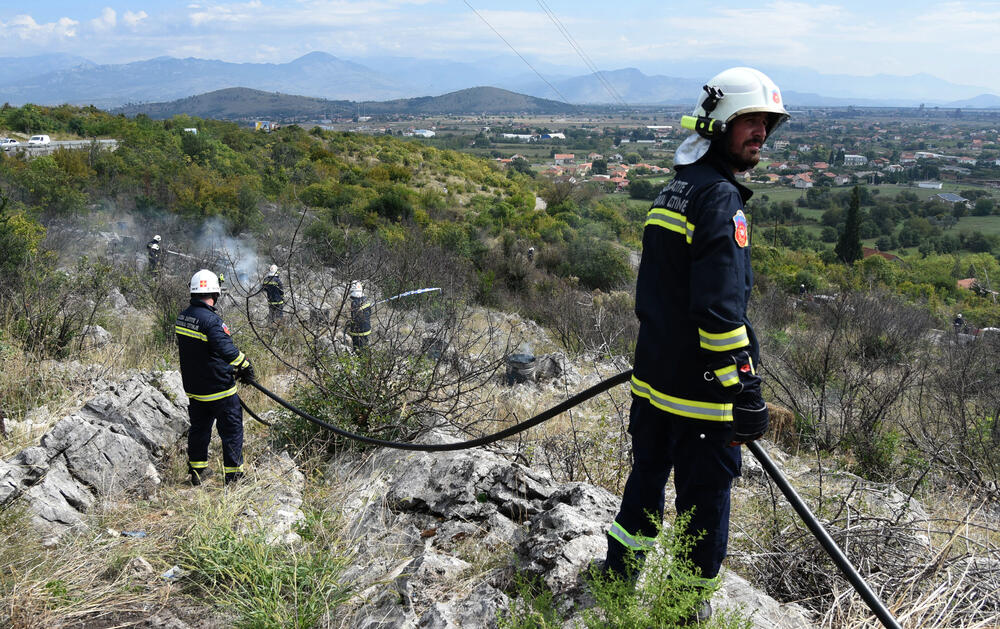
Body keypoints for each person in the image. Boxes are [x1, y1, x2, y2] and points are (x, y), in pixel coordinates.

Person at [600, 67, 787, 623]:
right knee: (704, 513)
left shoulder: (677, 187)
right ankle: (682, 615)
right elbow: (719, 311)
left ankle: (616, 585)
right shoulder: (719, 199)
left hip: (653, 382)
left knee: (644, 488)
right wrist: (745, 389)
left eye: (767, 123)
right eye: (750, 120)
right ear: (720, 123)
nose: (760, 132)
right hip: (702, 398)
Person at [175, 269, 255, 486]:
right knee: (231, 430)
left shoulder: (183, 316)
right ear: (215, 293)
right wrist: (245, 366)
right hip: (219, 389)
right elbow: (227, 350)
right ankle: (234, 477)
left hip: (194, 388)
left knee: (199, 429)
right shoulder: (211, 321)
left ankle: (197, 473)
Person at [348, 281, 372, 350]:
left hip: (358, 332)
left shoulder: (354, 303)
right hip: (367, 329)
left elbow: (355, 318)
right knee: (365, 346)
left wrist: (350, 323)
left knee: (358, 349)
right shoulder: (366, 301)